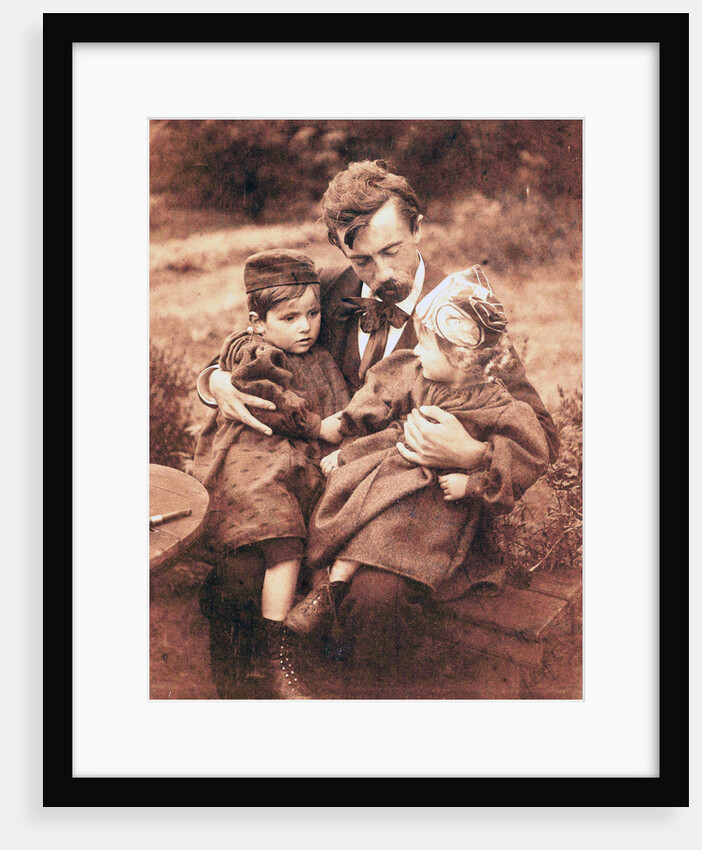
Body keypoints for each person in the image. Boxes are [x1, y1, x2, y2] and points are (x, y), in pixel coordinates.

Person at [196, 159, 558, 689]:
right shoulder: (328, 287)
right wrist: (216, 381)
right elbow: (255, 339)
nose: (381, 273)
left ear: (418, 228)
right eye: (362, 259)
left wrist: (473, 455)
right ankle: (242, 703)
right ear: (342, 250)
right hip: (323, 479)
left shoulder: (460, 311)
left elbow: (540, 431)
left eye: (391, 250)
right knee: (235, 573)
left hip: (412, 508)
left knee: (373, 602)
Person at [282, 266, 549, 685]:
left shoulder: (501, 406)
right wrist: (348, 438)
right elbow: (375, 400)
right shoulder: (415, 370)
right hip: (388, 474)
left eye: (426, 345)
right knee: (350, 518)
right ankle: (328, 596)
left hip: (436, 510)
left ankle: (344, 628)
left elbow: (530, 450)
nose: (418, 351)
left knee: (386, 557)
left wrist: (475, 465)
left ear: (461, 358)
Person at [192, 249, 349, 699]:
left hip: (298, 466)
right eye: (290, 317)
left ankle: (280, 650)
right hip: (254, 461)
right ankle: (273, 655)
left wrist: (345, 432)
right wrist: (317, 426)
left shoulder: (321, 359)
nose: (306, 326)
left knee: (310, 534)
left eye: (313, 314)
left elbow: (342, 408)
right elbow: (265, 397)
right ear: (258, 322)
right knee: (281, 540)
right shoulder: (255, 351)